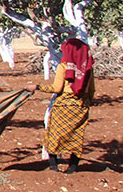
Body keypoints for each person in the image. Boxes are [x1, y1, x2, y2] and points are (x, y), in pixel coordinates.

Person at [32, 37, 95, 174]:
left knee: (54, 136)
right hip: (80, 107)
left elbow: (56, 88)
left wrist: (36, 87)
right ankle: (72, 168)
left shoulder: (64, 66)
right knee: (76, 137)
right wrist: (86, 102)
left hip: (63, 107)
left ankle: (53, 166)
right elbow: (91, 91)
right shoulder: (87, 69)